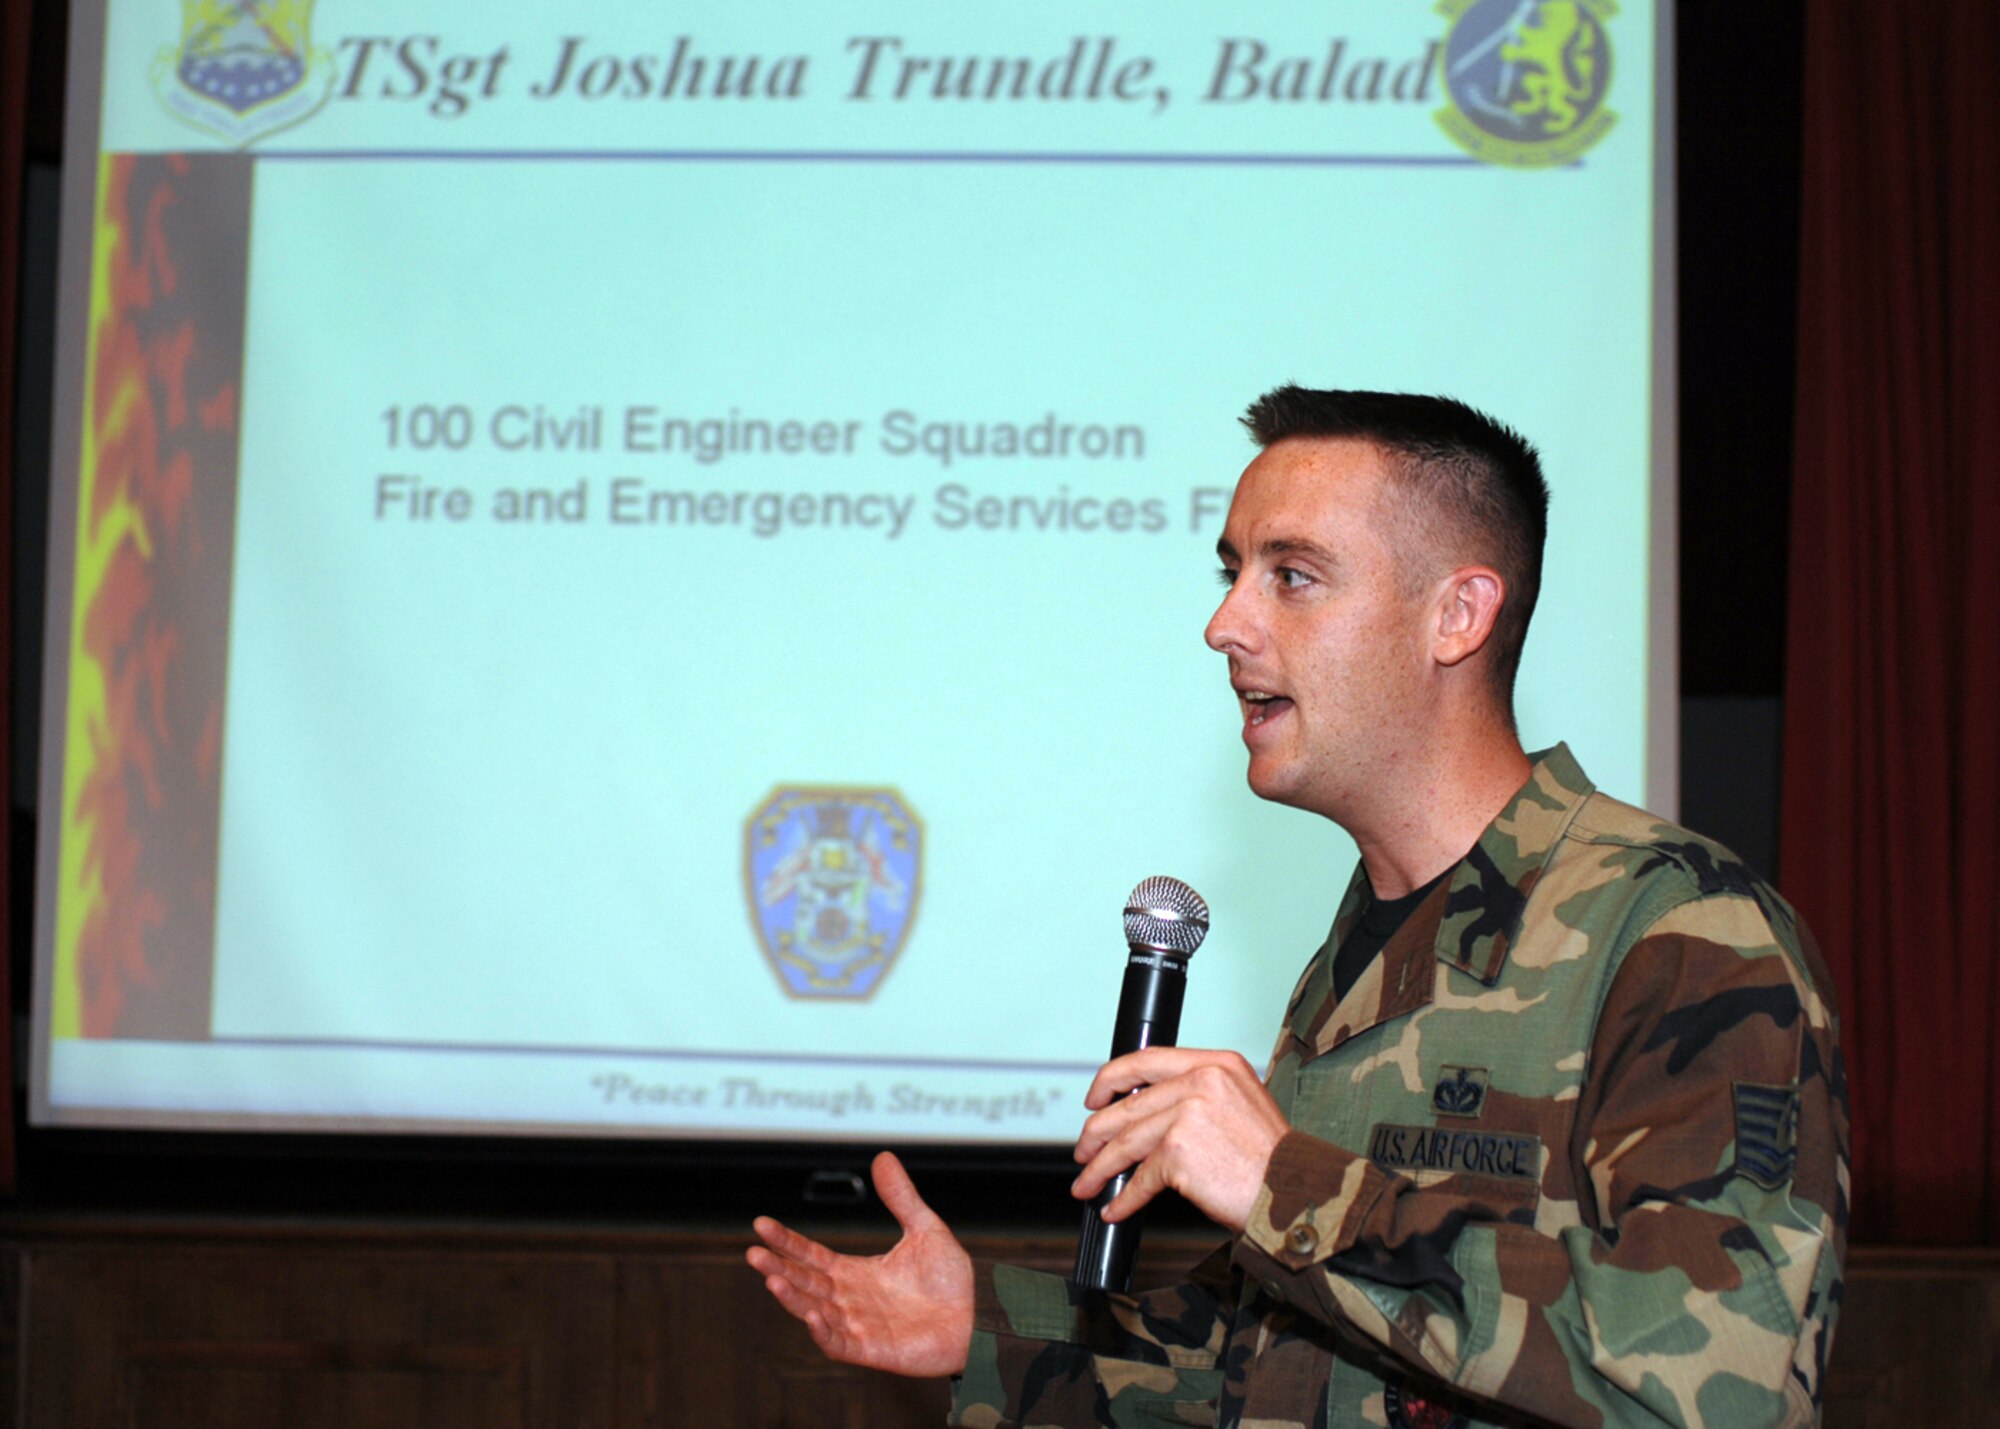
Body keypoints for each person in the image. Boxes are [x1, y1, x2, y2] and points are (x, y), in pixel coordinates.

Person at [747, 387, 1848, 1428]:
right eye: (1232, 572)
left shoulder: (1673, 931)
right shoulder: (1360, 955)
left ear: (1456, 615)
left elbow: (1727, 1379)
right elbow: (1269, 1363)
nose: (1224, 624)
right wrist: (977, 1328)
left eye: (1292, 576)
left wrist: (1287, 1183)